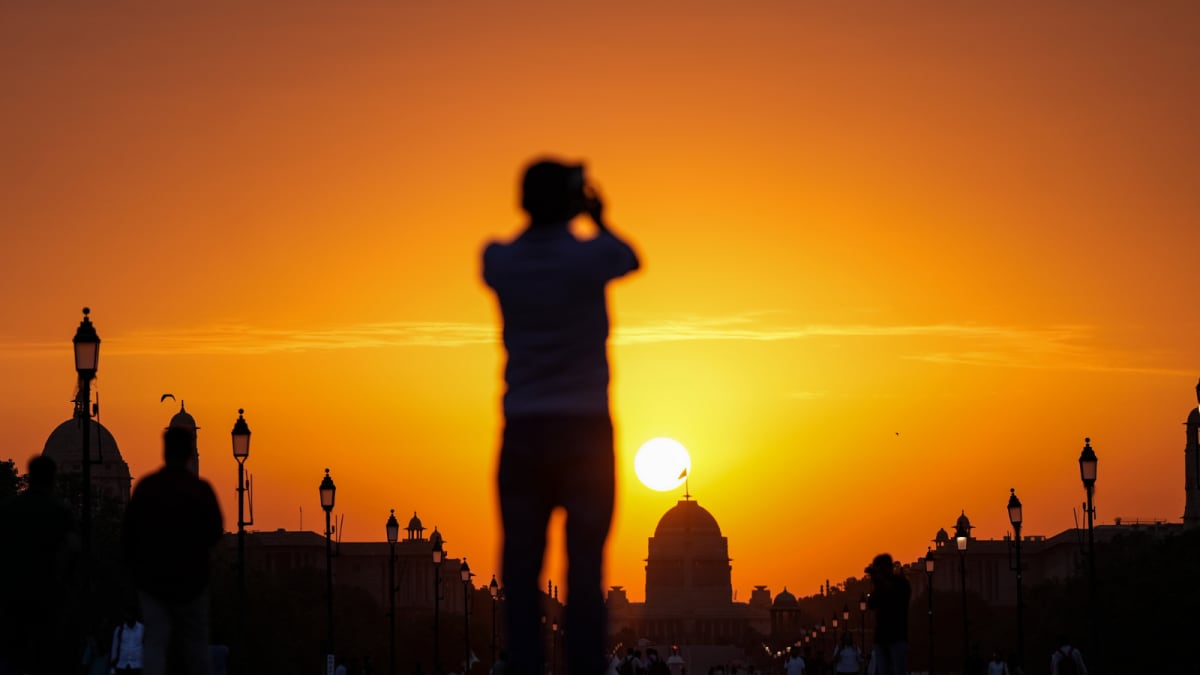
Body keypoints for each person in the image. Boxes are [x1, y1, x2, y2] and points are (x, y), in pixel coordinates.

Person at [483, 158, 640, 675]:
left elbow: (501, 254)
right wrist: (596, 214)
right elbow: (629, 256)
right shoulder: (590, 258)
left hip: (525, 427)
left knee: (522, 568)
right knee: (585, 570)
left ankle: (526, 667)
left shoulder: (498, 260)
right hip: (586, 430)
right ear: (572, 203)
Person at [122, 427, 224, 675]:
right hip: (192, 582)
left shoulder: (147, 488)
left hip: (153, 582)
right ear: (191, 451)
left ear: (165, 451)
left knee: (155, 642)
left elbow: (129, 535)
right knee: (196, 644)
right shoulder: (200, 490)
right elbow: (215, 532)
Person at [0, 455, 80, 675]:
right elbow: (72, 552)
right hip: (48, 598)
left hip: (13, 596)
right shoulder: (60, 511)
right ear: (52, 478)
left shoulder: (8, 509)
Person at [866, 553, 911, 675]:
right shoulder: (880, 586)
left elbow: (898, 598)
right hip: (882, 637)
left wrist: (881, 581)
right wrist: (876, 583)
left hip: (897, 635)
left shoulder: (900, 584)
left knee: (898, 670)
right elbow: (871, 603)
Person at [110, 610, 145, 674]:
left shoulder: (142, 629)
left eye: (130, 615)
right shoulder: (119, 629)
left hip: (137, 665)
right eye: (127, 615)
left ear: (135, 616)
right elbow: (114, 647)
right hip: (121, 665)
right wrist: (112, 666)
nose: (129, 617)